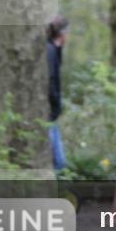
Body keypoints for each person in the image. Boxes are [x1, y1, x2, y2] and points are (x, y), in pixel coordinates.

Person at [45, 15, 69, 172]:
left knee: (59, 162)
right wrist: (56, 106)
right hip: (48, 113)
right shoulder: (50, 51)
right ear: (62, 33)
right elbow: (51, 79)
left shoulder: (54, 50)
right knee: (59, 162)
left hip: (51, 113)